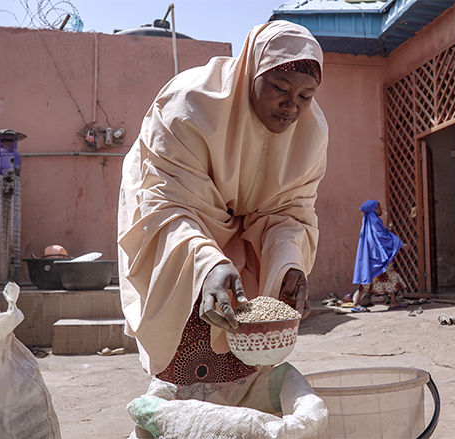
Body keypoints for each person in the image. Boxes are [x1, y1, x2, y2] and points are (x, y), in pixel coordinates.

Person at [117, 21, 327, 388]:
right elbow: (165, 204)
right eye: (279, 88)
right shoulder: (188, 106)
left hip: (245, 235)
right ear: (250, 73)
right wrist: (206, 262)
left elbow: (291, 213)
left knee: (248, 352)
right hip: (181, 223)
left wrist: (289, 264)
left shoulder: (311, 134)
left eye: (306, 96)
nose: (291, 106)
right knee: (190, 333)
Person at [351, 199, 405, 311]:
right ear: (374, 209)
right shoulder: (374, 221)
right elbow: (382, 238)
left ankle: (393, 301)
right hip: (377, 257)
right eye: (379, 207)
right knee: (384, 275)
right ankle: (357, 303)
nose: (381, 210)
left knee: (383, 276)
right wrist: (399, 243)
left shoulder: (368, 220)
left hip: (372, 256)